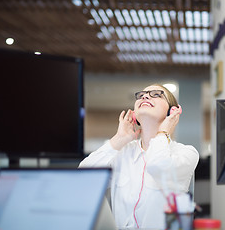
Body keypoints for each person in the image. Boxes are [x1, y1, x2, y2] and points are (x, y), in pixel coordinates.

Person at [79, 84, 199, 229]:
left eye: (157, 94)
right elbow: (83, 177)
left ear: (171, 112)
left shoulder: (186, 153)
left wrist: (163, 133)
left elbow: (158, 165)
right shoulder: (122, 152)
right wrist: (119, 139)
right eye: (142, 94)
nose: (145, 96)